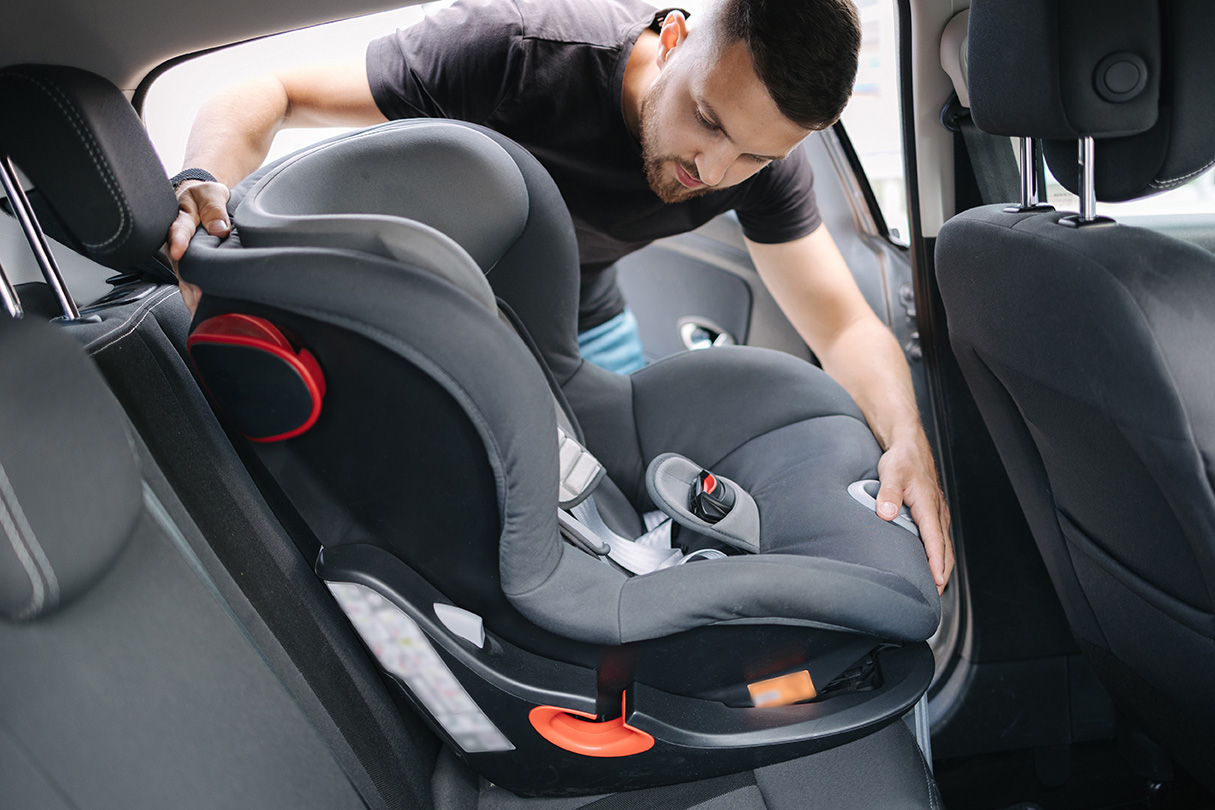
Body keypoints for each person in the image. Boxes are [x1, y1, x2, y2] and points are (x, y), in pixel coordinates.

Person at [165, 0, 954, 593]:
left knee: (618, 509)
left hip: (579, 317)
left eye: (751, 154)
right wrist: (205, 183)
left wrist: (906, 442)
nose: (711, 170)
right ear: (674, 37)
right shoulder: (515, 48)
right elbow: (267, 88)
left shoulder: (763, 166)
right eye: (705, 120)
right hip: (440, 307)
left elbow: (842, 321)